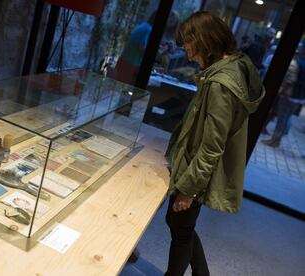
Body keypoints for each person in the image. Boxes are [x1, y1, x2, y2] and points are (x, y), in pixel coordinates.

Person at [164, 12, 265, 275]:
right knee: (179, 225)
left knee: (180, 229)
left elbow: (211, 147)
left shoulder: (221, 84)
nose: (188, 56)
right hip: (192, 165)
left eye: (190, 47)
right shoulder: (233, 63)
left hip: (195, 172)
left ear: (205, 42)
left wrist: (188, 189)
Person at [262, 44, 305, 147]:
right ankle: (277, 139)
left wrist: (281, 91)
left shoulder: (295, 63)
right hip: (299, 98)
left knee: (281, 118)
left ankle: (274, 141)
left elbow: (290, 80)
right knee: (286, 118)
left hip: (288, 95)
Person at [111, 12, 156, 85]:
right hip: (130, 64)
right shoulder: (148, 29)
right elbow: (142, 47)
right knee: (121, 88)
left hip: (125, 61)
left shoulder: (144, 25)